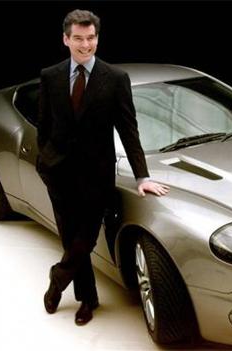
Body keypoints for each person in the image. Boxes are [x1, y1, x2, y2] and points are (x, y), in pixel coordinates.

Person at [36, 9, 169, 326]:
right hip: (59, 174)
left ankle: (58, 277)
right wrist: (45, 161)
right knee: (71, 240)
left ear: (97, 37)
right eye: (78, 38)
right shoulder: (50, 76)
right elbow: (44, 124)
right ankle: (88, 300)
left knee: (86, 239)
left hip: (96, 177)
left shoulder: (115, 79)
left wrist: (142, 176)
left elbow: (128, 130)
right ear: (66, 39)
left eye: (91, 38)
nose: (85, 45)